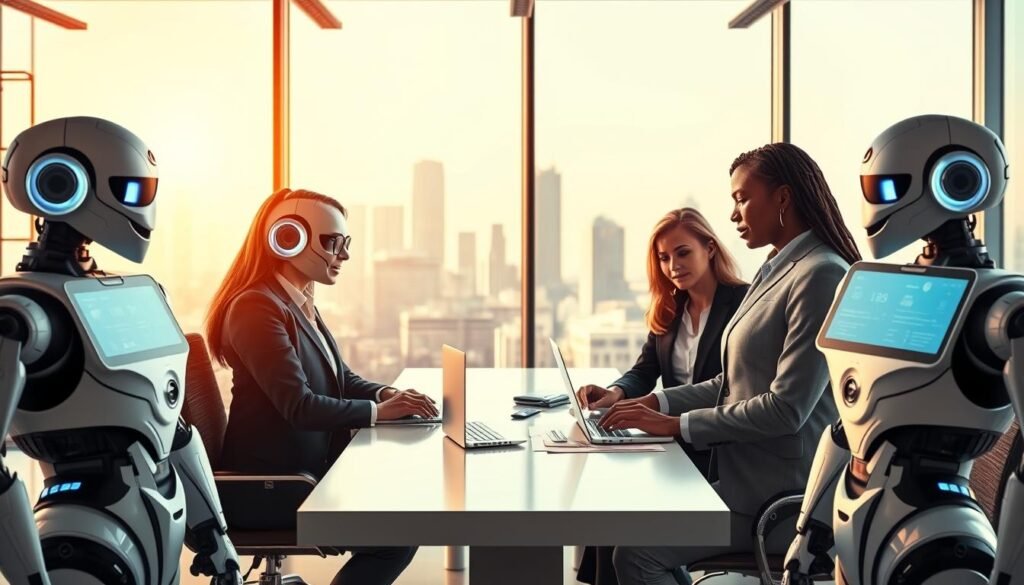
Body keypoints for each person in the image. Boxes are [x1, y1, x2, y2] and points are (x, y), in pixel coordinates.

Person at [600, 144, 862, 585]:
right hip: (745, 481)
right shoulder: (777, 267)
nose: (734, 215)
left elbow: (786, 408)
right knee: (626, 517)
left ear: (782, 198)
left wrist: (676, 426)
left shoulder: (820, 274)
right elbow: (730, 382)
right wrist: (654, 403)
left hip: (780, 501)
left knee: (637, 553)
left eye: (742, 198)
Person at [206, 188, 435, 585]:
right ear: (288, 237)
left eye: (346, 243)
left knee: (405, 505)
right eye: (333, 243)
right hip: (274, 486)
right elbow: (300, 406)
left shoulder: (297, 299)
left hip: (303, 473)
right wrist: (380, 414)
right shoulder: (255, 307)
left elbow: (340, 378)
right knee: (400, 532)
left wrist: (386, 396)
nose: (343, 255)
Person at [575, 208, 748, 585]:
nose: (673, 265)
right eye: (664, 257)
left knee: (623, 515)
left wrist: (654, 410)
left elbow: (733, 385)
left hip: (714, 451)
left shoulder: (743, 304)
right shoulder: (670, 308)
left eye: (682, 253)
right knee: (608, 502)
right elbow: (644, 369)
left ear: (710, 249)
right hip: (673, 445)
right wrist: (615, 393)